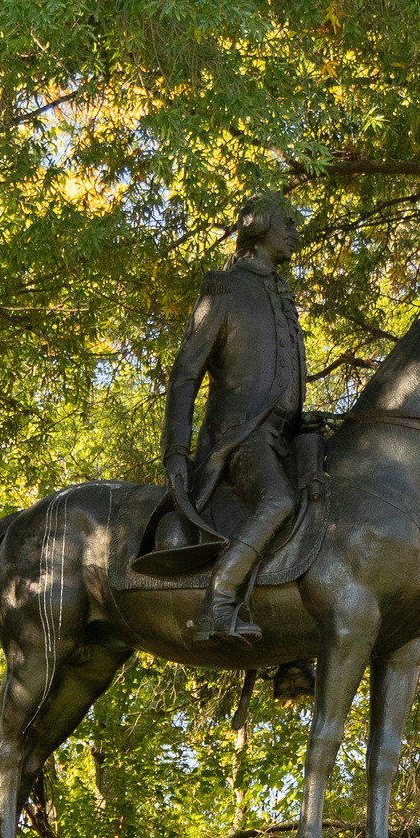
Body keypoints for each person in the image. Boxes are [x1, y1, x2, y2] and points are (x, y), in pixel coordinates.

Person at [162, 194, 308, 643]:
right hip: (239, 441)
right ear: (260, 227)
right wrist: (176, 453)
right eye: (287, 224)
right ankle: (218, 602)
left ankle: (296, 649)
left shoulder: (282, 296)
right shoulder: (225, 291)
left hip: (284, 439)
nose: (295, 234)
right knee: (279, 502)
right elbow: (185, 375)